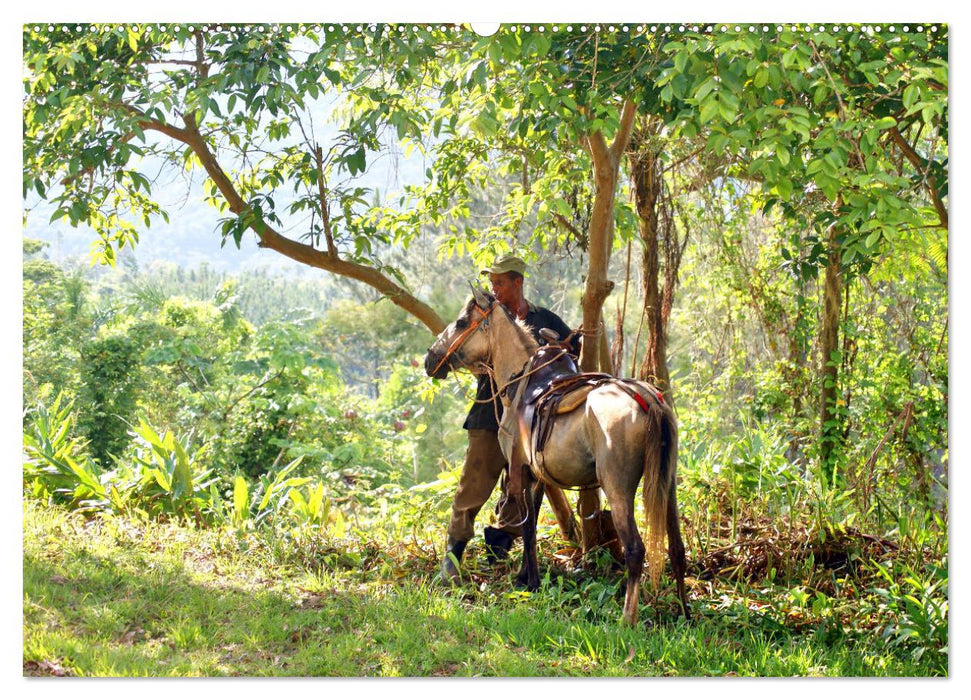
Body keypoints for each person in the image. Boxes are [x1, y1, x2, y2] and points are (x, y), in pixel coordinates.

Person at [440, 253, 580, 582]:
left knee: (522, 490)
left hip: (531, 418)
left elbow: (572, 354)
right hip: (491, 416)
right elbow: (464, 354)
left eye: (500, 283)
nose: (495, 289)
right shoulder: (484, 320)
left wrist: (560, 349)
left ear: (518, 283)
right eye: (492, 283)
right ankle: (452, 557)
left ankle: (498, 551)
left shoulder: (545, 317)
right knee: (473, 486)